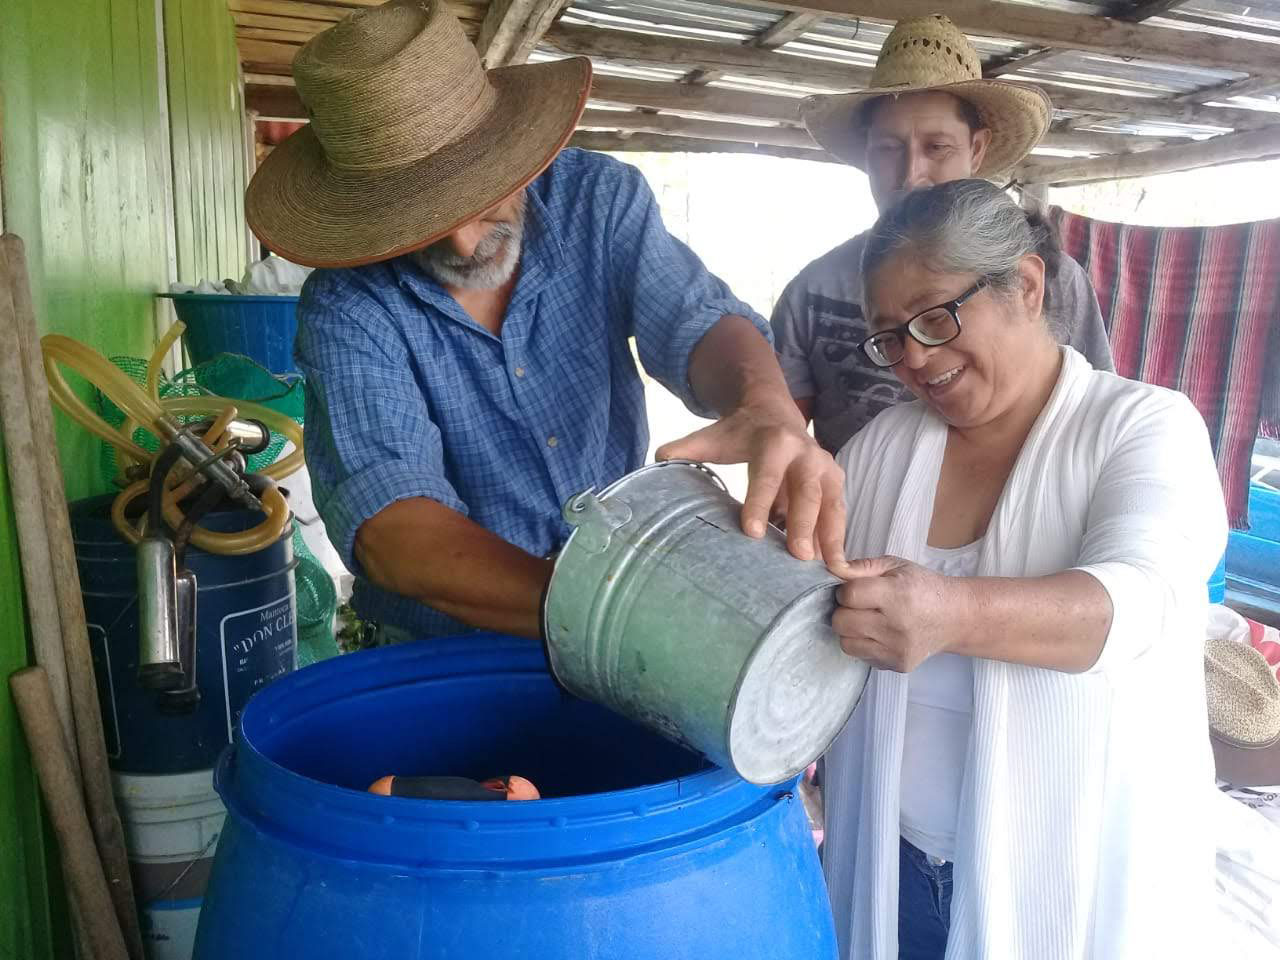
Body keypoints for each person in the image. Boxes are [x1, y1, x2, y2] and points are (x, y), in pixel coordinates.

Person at [241, 0, 845, 642]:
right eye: (417, 225)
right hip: (449, 644)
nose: (466, 246)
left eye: (481, 202)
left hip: (616, 591)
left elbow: (698, 321)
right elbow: (394, 528)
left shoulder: (599, 202)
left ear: (513, 152)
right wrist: (604, 612)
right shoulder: (348, 305)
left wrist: (766, 407)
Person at [823, 179, 1225, 959]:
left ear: (1027, 287)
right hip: (894, 864)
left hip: (1072, 877)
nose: (915, 358)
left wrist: (951, 614)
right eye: (891, 337)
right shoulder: (878, 450)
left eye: (936, 318)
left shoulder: (1142, 427)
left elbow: (1144, 601)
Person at [773, 15, 1114, 455]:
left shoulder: (1052, 278)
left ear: (976, 149)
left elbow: (1094, 412)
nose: (912, 175)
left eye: (936, 148)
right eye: (888, 149)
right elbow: (782, 444)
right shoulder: (811, 292)